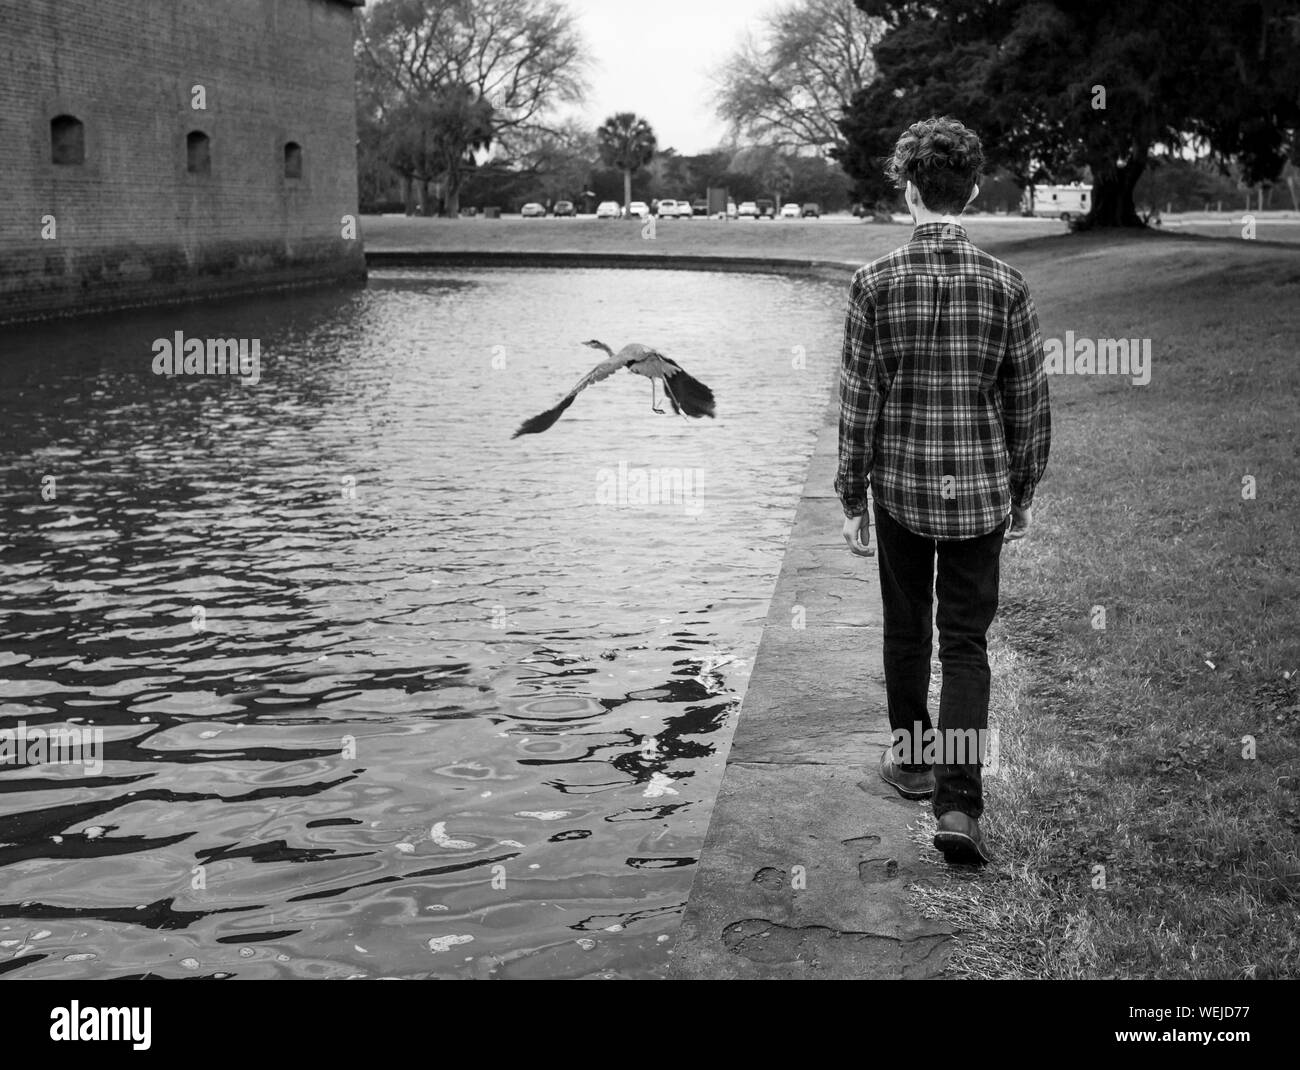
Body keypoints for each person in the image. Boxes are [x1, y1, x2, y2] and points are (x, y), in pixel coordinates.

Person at [834, 116, 1051, 864]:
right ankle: (959, 806)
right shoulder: (1007, 285)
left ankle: (912, 758)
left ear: (910, 190)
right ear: (973, 189)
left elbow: (859, 399)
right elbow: (1028, 402)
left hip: (899, 489)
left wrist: (851, 496)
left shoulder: (872, 282)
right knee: (965, 644)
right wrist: (1023, 491)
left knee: (905, 627)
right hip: (981, 492)